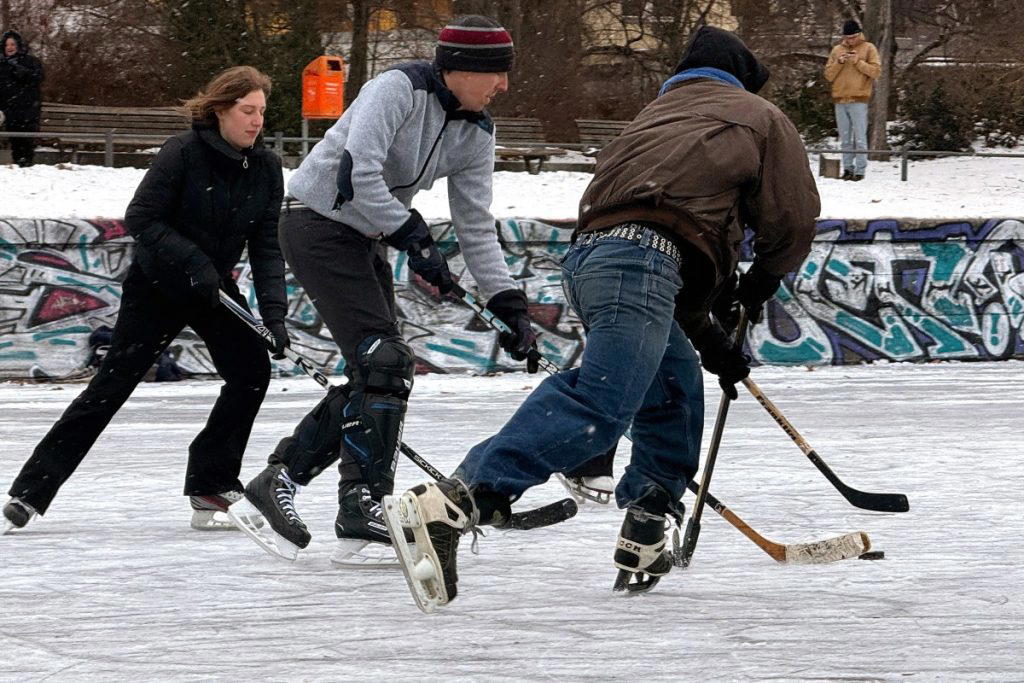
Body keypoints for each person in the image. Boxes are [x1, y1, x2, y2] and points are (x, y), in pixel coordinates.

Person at [384, 25, 821, 610]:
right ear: (742, 81)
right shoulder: (760, 117)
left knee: (672, 388)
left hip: (596, 263)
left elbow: (665, 245)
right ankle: (459, 499)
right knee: (604, 400)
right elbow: (792, 219)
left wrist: (714, 342)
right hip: (641, 264)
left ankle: (647, 524)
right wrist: (761, 282)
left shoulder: (652, 120)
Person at [231, 15, 539, 566]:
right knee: (384, 359)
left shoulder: (477, 131)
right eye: (497, 73)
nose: (504, 85)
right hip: (315, 222)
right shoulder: (397, 89)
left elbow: (475, 224)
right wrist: (410, 233)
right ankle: (363, 502)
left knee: (379, 371)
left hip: (365, 235)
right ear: (462, 69)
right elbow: (357, 175)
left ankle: (283, 479)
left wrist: (506, 302)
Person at [2, 66, 288, 534]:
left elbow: (266, 246)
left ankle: (211, 483)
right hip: (157, 287)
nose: (256, 121)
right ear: (220, 110)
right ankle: (30, 492)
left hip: (211, 290)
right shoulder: (183, 153)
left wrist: (274, 316)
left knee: (252, 372)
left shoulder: (265, 168)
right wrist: (193, 260)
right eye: (246, 110)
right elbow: (142, 217)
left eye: (261, 111)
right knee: (110, 388)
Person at [824, 19, 881, 181]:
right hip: (840, 99)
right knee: (845, 139)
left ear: (859, 34)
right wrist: (839, 62)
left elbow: (876, 72)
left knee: (860, 137)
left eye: (853, 37)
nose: (850, 41)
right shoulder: (837, 50)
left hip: (859, 99)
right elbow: (828, 75)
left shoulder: (869, 48)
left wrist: (858, 62)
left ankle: (860, 170)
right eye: (847, 38)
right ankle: (848, 169)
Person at [0, 30, 44, 167]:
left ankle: (26, 165)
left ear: (18, 45)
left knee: (27, 142)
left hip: (28, 110)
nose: (9, 47)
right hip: (9, 111)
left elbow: (38, 78)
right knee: (15, 142)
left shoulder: (30, 61)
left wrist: (25, 73)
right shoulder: (1, 64)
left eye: (12, 44)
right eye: (7, 45)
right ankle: (19, 164)